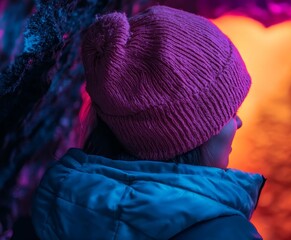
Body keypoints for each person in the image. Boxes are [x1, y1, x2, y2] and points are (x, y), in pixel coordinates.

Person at [31, 5, 265, 240]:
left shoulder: (54, 211)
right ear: (183, 133)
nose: (239, 122)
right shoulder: (224, 233)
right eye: (229, 112)